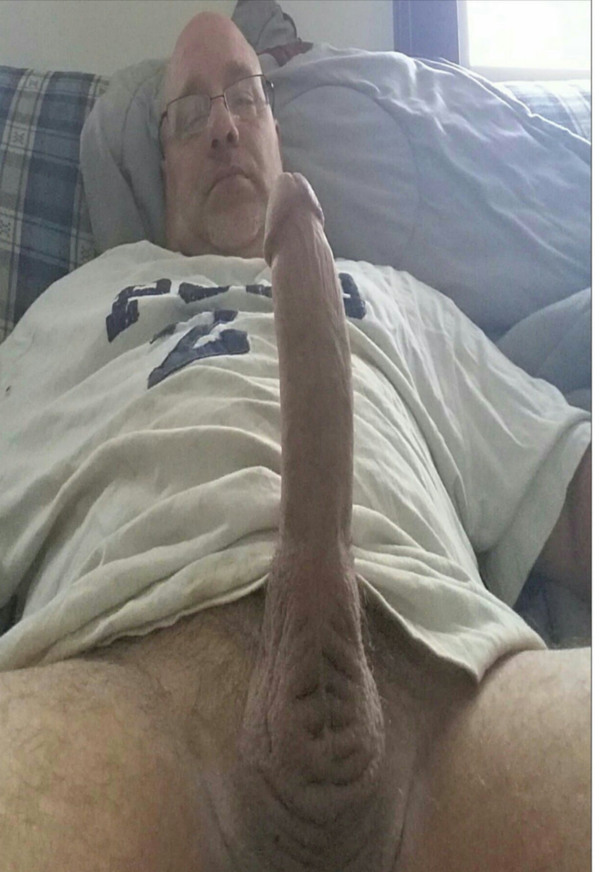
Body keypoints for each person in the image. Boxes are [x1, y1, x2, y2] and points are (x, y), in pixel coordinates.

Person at [0, 11, 590, 872]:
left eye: (245, 97)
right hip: (122, 667)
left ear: (276, 129)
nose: (223, 127)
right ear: (161, 165)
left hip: (448, 679)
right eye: (189, 115)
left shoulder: (395, 296)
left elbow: (571, 493)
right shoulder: (76, 305)